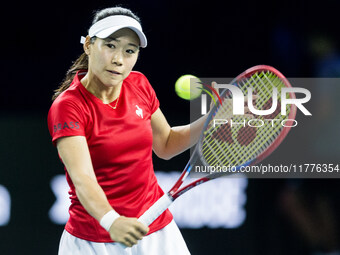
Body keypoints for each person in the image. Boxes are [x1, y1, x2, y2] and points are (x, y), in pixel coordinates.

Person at [48, 6, 209, 255]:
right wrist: (112, 221)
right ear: (89, 45)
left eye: (129, 51)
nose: (118, 59)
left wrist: (211, 121)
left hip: (157, 232)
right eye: (110, 45)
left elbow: (165, 144)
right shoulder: (69, 107)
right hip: (93, 241)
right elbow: (83, 179)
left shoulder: (140, 84)